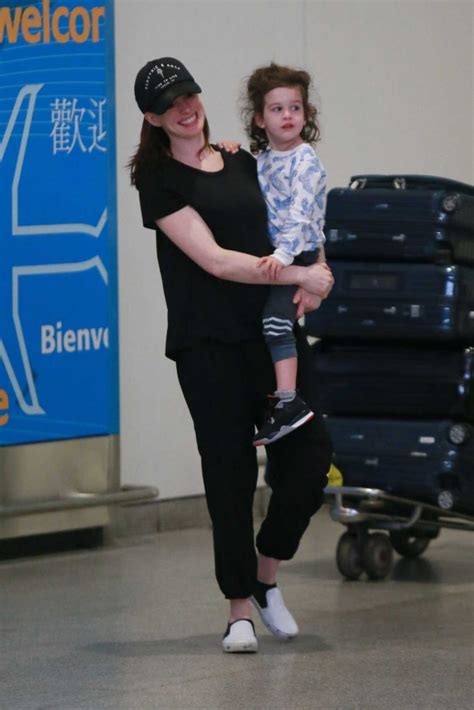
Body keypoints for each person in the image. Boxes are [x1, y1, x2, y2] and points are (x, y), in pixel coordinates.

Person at [130, 57, 334, 654]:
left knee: (311, 456)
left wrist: (317, 273)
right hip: (209, 346)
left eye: (189, 94)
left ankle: (266, 576)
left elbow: (299, 216)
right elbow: (217, 260)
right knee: (230, 474)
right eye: (170, 104)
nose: (185, 108)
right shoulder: (160, 180)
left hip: (271, 337)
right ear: (153, 117)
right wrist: (303, 273)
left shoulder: (245, 158)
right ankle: (238, 609)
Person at [242, 63, 328, 447]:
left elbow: (300, 214)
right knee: (274, 323)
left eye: (295, 107)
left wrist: (283, 256)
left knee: (276, 323)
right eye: (277, 109)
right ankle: (284, 397)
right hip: (282, 254)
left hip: (297, 252)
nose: (288, 116)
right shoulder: (262, 161)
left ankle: (289, 402)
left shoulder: (305, 160)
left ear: (306, 114)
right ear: (260, 119)